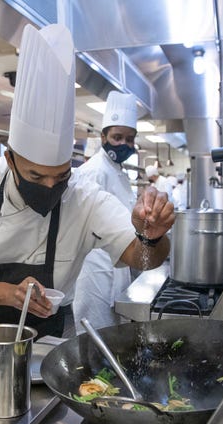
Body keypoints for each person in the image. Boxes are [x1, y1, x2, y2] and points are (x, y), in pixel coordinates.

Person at [0, 24, 175, 362]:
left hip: (47, 344)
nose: (48, 187)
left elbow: (142, 260)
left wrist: (151, 238)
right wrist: (11, 294)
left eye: (60, 177)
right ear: (10, 160)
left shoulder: (85, 198)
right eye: (35, 175)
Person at [72, 91, 138, 332]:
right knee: (96, 339)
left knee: (113, 338)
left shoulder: (118, 171)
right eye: (117, 137)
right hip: (95, 268)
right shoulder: (93, 170)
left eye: (129, 139)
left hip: (117, 263)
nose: (123, 144)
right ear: (103, 136)